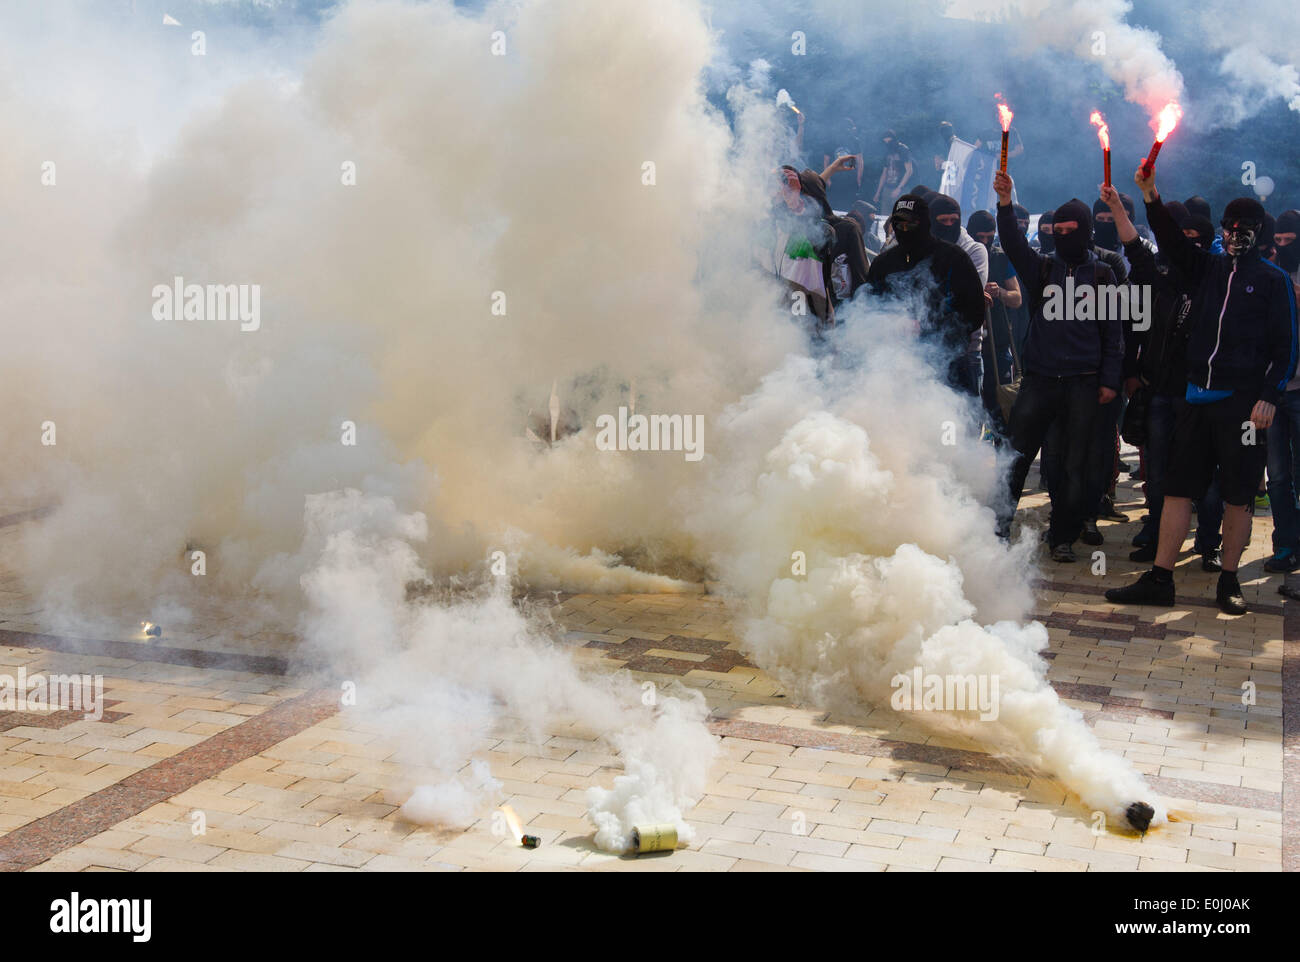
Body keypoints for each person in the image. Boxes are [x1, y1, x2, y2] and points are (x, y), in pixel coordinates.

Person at [1106, 169, 1298, 614]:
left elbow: (1287, 345)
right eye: (1230, 229)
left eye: (1244, 231)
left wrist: (1269, 394)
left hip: (1244, 407)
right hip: (1196, 398)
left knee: (1237, 494)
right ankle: (1160, 577)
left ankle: (1229, 581)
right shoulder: (1205, 268)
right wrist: (1150, 196)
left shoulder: (1272, 281)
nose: (1235, 237)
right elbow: (1170, 241)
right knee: (1177, 489)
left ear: (1258, 235)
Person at [992, 170, 1123, 561]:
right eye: (1057, 230)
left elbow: (1113, 333)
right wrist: (1004, 202)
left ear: (1085, 232)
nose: (1063, 236)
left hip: (1084, 382)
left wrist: (1110, 381)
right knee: (1015, 456)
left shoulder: (1103, 274)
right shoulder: (1042, 268)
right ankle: (996, 526)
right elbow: (1014, 245)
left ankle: (1063, 536)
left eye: (1071, 230)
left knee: (1073, 463)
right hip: (1041, 380)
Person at [1101, 183, 1225, 566]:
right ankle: (1156, 532)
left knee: (1206, 475)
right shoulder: (1161, 278)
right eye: (1181, 238)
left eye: (1194, 240)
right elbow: (1136, 248)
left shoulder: (1220, 280)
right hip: (1159, 390)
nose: (1187, 245)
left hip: (1201, 394)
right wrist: (1119, 208)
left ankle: (1208, 544)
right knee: (1156, 473)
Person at [866, 193, 985, 391]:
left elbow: (974, 311)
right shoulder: (883, 263)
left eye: (910, 224)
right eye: (899, 223)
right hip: (895, 367)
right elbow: (867, 308)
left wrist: (929, 326)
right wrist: (890, 324)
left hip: (948, 365)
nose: (904, 229)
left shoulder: (954, 257)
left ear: (923, 223)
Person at [1264, 209, 1300, 572]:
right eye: (1279, 242)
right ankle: (1285, 545)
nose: (1283, 247)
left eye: (1291, 242)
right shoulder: (1269, 275)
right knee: (1277, 476)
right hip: (1275, 388)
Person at [969, 208, 1022, 436]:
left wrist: (999, 292)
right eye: (980, 237)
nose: (985, 242)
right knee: (968, 406)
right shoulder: (960, 254)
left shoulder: (1000, 257)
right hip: (969, 344)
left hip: (997, 342)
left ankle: (1001, 454)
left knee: (1000, 404)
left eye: (989, 237)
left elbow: (1017, 298)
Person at [873, 129, 913, 211]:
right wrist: (878, 192)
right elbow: (884, 173)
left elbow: (909, 171)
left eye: (889, 141)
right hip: (887, 189)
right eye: (885, 142)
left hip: (901, 190)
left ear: (894, 140)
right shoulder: (887, 152)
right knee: (885, 218)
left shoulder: (903, 149)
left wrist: (899, 188)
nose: (887, 144)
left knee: (900, 217)